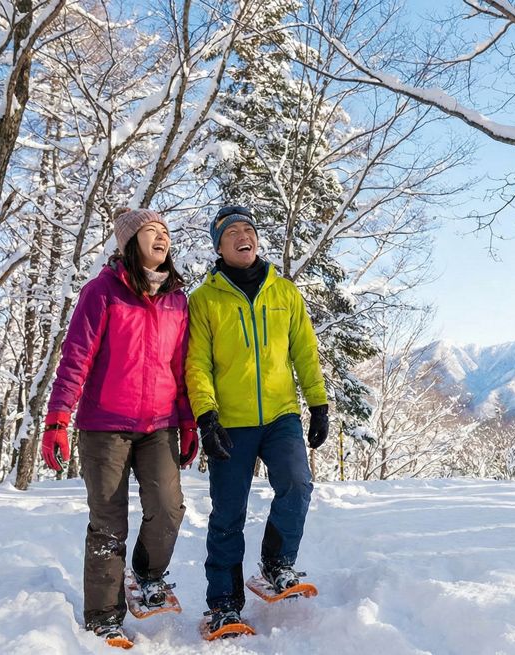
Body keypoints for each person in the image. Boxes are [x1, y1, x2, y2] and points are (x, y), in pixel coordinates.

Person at [42, 207, 200, 645]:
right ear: (130, 243)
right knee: (108, 521)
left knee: (169, 508)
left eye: (166, 231)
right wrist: (58, 418)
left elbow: (182, 366)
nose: (162, 237)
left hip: (161, 423)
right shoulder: (102, 292)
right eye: (152, 231)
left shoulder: (177, 299)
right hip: (105, 425)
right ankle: (103, 615)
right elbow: (76, 357)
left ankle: (148, 576)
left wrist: (188, 421)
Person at [185, 205, 330, 633]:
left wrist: (318, 403)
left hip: (281, 413)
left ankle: (276, 564)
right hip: (229, 421)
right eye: (232, 232)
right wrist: (206, 417)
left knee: (297, 482)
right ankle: (224, 605)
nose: (243, 235)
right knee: (227, 513)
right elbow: (197, 364)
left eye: (249, 228)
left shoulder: (284, 292)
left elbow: (304, 350)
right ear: (219, 246)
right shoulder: (204, 300)